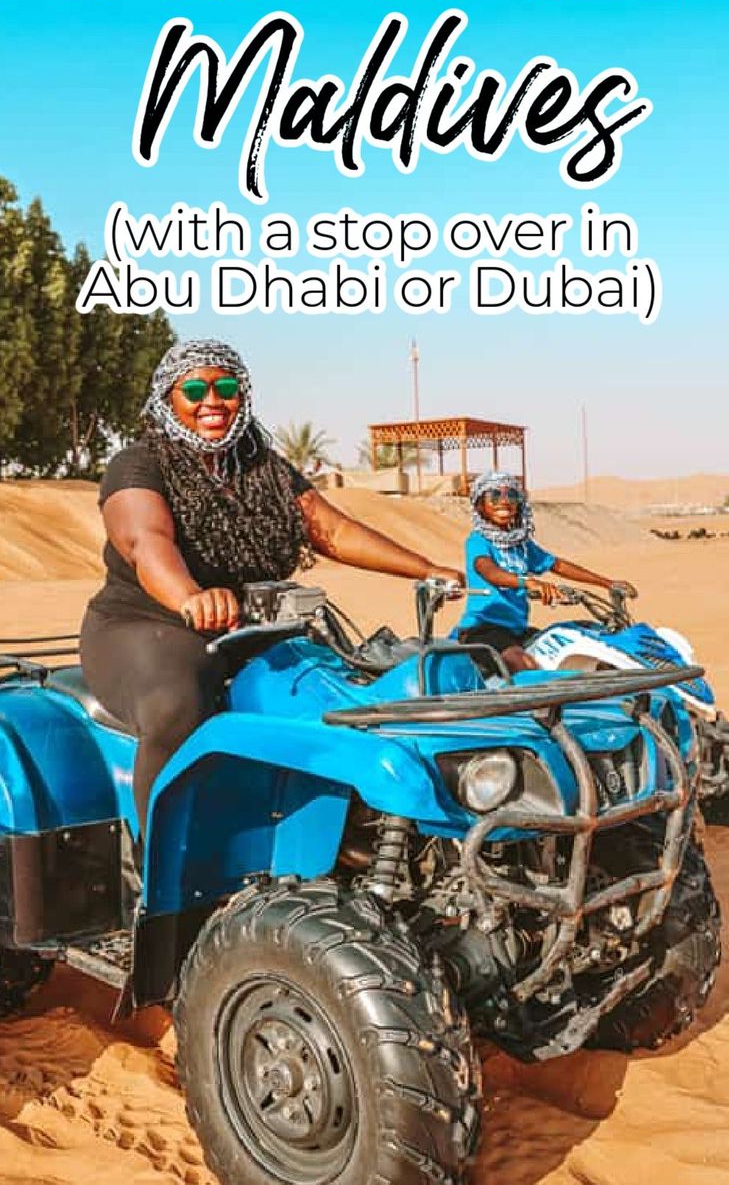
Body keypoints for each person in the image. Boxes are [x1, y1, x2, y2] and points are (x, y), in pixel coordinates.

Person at [81, 339, 461, 833]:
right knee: (174, 708)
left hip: (250, 626)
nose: (211, 401)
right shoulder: (139, 463)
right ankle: (164, 877)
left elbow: (334, 532)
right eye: (194, 388)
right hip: (146, 625)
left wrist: (425, 567)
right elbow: (145, 542)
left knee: (338, 693)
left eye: (226, 387)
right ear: (167, 398)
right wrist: (189, 597)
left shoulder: (263, 466)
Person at [454, 469, 636, 674]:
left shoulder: (521, 545)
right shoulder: (478, 541)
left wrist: (608, 583)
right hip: (483, 628)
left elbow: (557, 565)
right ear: (480, 505)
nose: (504, 501)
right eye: (494, 495)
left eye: (511, 495)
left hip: (517, 629)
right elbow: (488, 571)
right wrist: (528, 582)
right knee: (524, 665)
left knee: (571, 649)